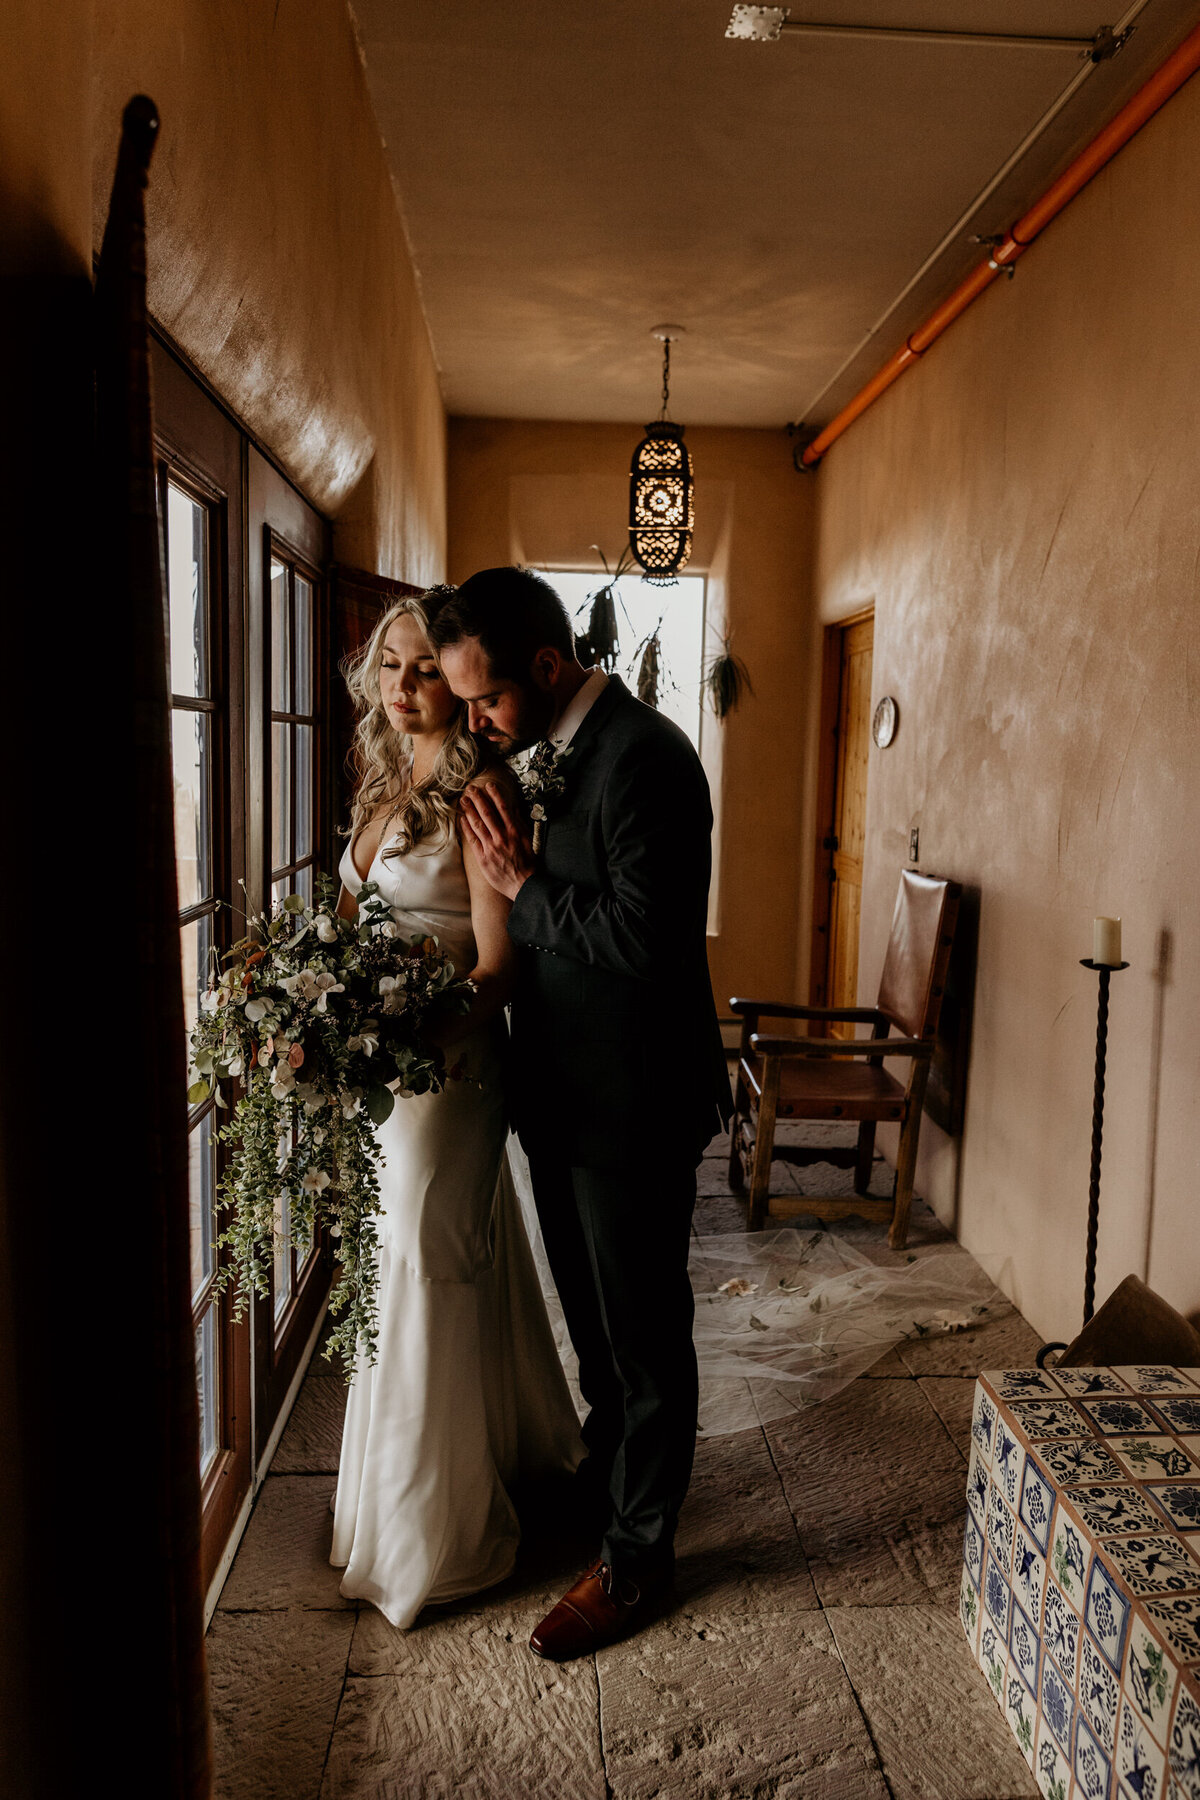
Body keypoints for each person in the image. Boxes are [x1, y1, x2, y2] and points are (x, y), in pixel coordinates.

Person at [430, 566, 731, 1661]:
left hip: (635, 1102)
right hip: (557, 1097)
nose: (478, 721)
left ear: (548, 669)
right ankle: (614, 1496)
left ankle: (638, 1559)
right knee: (596, 1337)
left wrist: (524, 889)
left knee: (646, 1341)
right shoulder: (535, 755)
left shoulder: (649, 760)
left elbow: (649, 944)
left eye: (488, 700)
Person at [329, 588, 581, 1630]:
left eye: (425, 667)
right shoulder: (382, 782)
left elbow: (499, 967)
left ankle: (436, 1537)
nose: (404, 686)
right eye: (390, 665)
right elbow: (351, 920)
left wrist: (406, 1038)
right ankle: (457, 1471)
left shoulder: (483, 790)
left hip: (449, 1076)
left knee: (420, 1268)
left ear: (457, 676)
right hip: (385, 1074)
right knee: (412, 1267)